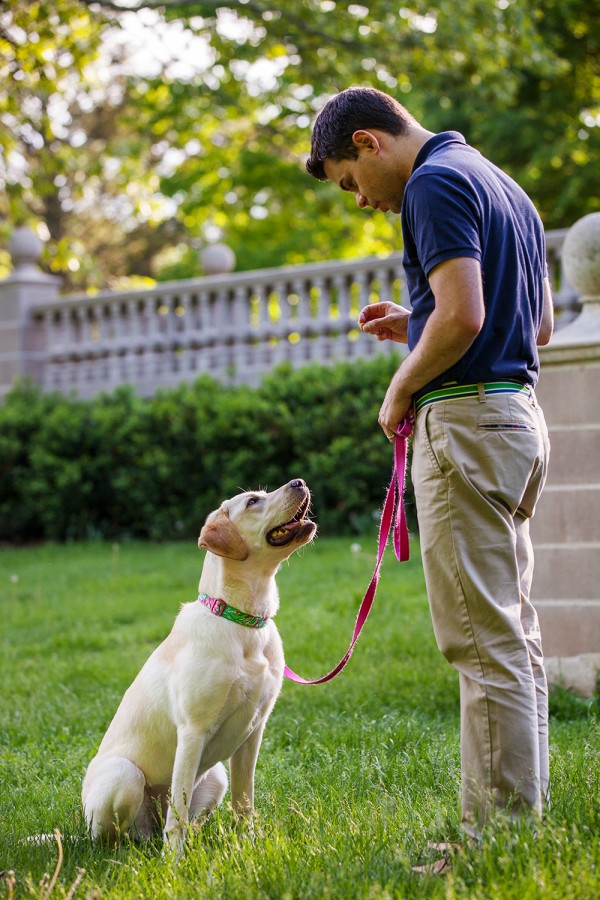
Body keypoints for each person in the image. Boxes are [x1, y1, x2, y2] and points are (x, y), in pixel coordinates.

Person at [306, 87, 554, 846]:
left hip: (468, 426)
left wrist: (403, 382)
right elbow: (532, 321)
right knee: (510, 635)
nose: (360, 201)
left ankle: (497, 838)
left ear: (370, 143)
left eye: (351, 181)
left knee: (480, 642)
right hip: (516, 419)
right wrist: (418, 326)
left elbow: (467, 317)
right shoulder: (497, 180)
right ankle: (519, 824)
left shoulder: (432, 184)